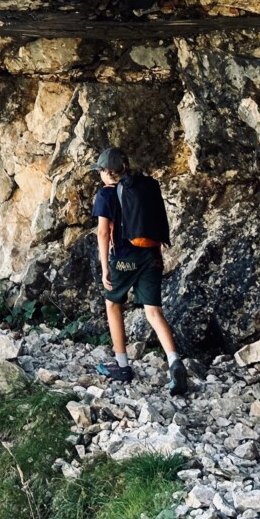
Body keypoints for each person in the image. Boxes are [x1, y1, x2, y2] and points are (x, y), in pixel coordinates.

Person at [90, 147, 187, 395]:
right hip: (152, 255)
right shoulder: (143, 187)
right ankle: (174, 361)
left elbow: (103, 233)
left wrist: (104, 268)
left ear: (105, 172)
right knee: (153, 311)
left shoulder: (106, 195)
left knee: (113, 304)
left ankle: (122, 365)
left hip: (124, 257)